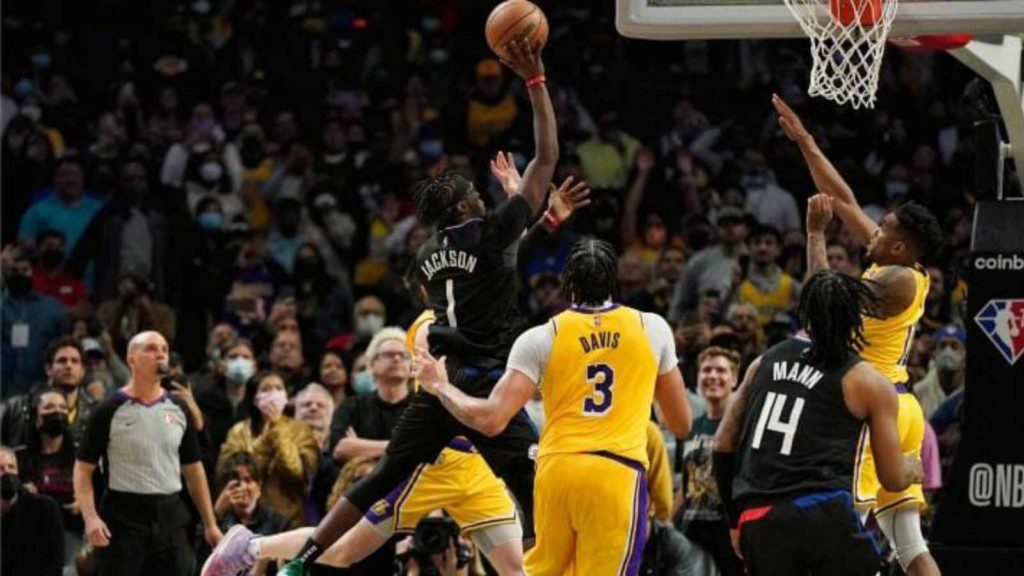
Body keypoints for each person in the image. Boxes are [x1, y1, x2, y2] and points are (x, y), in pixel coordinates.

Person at [244, 37, 558, 574]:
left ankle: (305, 558)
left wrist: (522, 215)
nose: (480, 192)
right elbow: (547, 157)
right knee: (537, 480)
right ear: (463, 206)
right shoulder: (491, 230)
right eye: (472, 192)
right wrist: (535, 83)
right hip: (485, 382)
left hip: (443, 380)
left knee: (382, 473)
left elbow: (486, 270)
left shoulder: (425, 257)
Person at [413, 238, 692, 575]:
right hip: (615, 472)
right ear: (613, 282)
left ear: (567, 286)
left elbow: (491, 419)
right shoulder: (652, 328)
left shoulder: (540, 338)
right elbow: (680, 424)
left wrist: (440, 386)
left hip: (555, 472)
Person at [202, 317, 525, 576]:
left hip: (478, 469)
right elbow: (441, 386)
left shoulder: (487, 317)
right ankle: (251, 546)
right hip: (433, 466)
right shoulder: (430, 325)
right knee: (342, 552)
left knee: (515, 569)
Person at [779, 93, 944, 576]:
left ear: (896, 244)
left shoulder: (897, 280)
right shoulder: (898, 262)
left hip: (874, 413)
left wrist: (814, 235)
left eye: (881, 230)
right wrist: (806, 142)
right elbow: (845, 200)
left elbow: (821, 307)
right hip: (896, 405)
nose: (869, 233)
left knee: (842, 540)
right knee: (911, 546)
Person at [712, 271, 925, 576]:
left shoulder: (763, 362)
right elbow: (891, 478)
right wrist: (912, 468)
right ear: (857, 318)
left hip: (758, 517)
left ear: (805, 312)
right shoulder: (868, 381)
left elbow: (722, 445)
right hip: (822, 511)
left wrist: (735, 521)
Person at [73, 331, 222, 576]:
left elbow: (193, 469)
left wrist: (210, 524)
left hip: (171, 515)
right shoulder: (108, 409)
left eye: (163, 348)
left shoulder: (179, 407)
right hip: (123, 518)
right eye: (151, 348)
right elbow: (83, 468)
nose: (160, 353)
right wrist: (90, 517)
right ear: (131, 359)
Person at [218, 369, 319, 528]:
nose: (273, 394)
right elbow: (234, 472)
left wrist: (277, 428)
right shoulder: (238, 431)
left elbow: (295, 471)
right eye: (266, 389)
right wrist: (266, 437)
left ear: (286, 396)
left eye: (279, 389)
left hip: (289, 520)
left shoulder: (301, 430)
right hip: (244, 518)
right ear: (254, 398)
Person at [675, 347, 744, 576]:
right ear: (697, 378)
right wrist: (666, 522)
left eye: (721, 371)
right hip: (692, 536)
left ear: (734, 379)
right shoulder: (690, 427)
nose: (713, 376)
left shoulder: (742, 429)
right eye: (706, 370)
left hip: (728, 536)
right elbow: (684, 487)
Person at [15, 387, 82, 574]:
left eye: (62, 408)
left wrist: (85, 502)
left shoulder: (81, 457)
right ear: (36, 417)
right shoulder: (18, 458)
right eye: (50, 408)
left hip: (71, 532)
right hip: (28, 535)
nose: (58, 412)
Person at [328, 328, 413, 464]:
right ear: (372, 364)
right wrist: (404, 446)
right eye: (389, 354)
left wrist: (360, 447)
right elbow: (340, 449)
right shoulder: (353, 406)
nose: (397, 358)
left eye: (404, 355)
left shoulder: (423, 405)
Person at [2, 336, 96, 450]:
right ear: (48, 368)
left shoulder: (94, 413)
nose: (68, 366)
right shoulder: (15, 408)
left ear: (83, 371)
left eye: (75, 361)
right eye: (62, 360)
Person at [2, 244, 71, 397]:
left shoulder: (53, 308)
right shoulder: (2, 306)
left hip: (41, 391)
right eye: (13, 271)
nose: (19, 274)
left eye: (24, 270)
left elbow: (65, 347)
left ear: (33, 272)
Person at [1, 444, 65, 576]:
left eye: (11, 467)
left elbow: (54, 564)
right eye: (0, 469)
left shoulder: (44, 508)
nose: (7, 472)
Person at [913, 325, 966, 419]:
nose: (948, 351)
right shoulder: (919, 391)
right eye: (942, 346)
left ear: (964, 353)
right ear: (934, 353)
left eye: (954, 346)